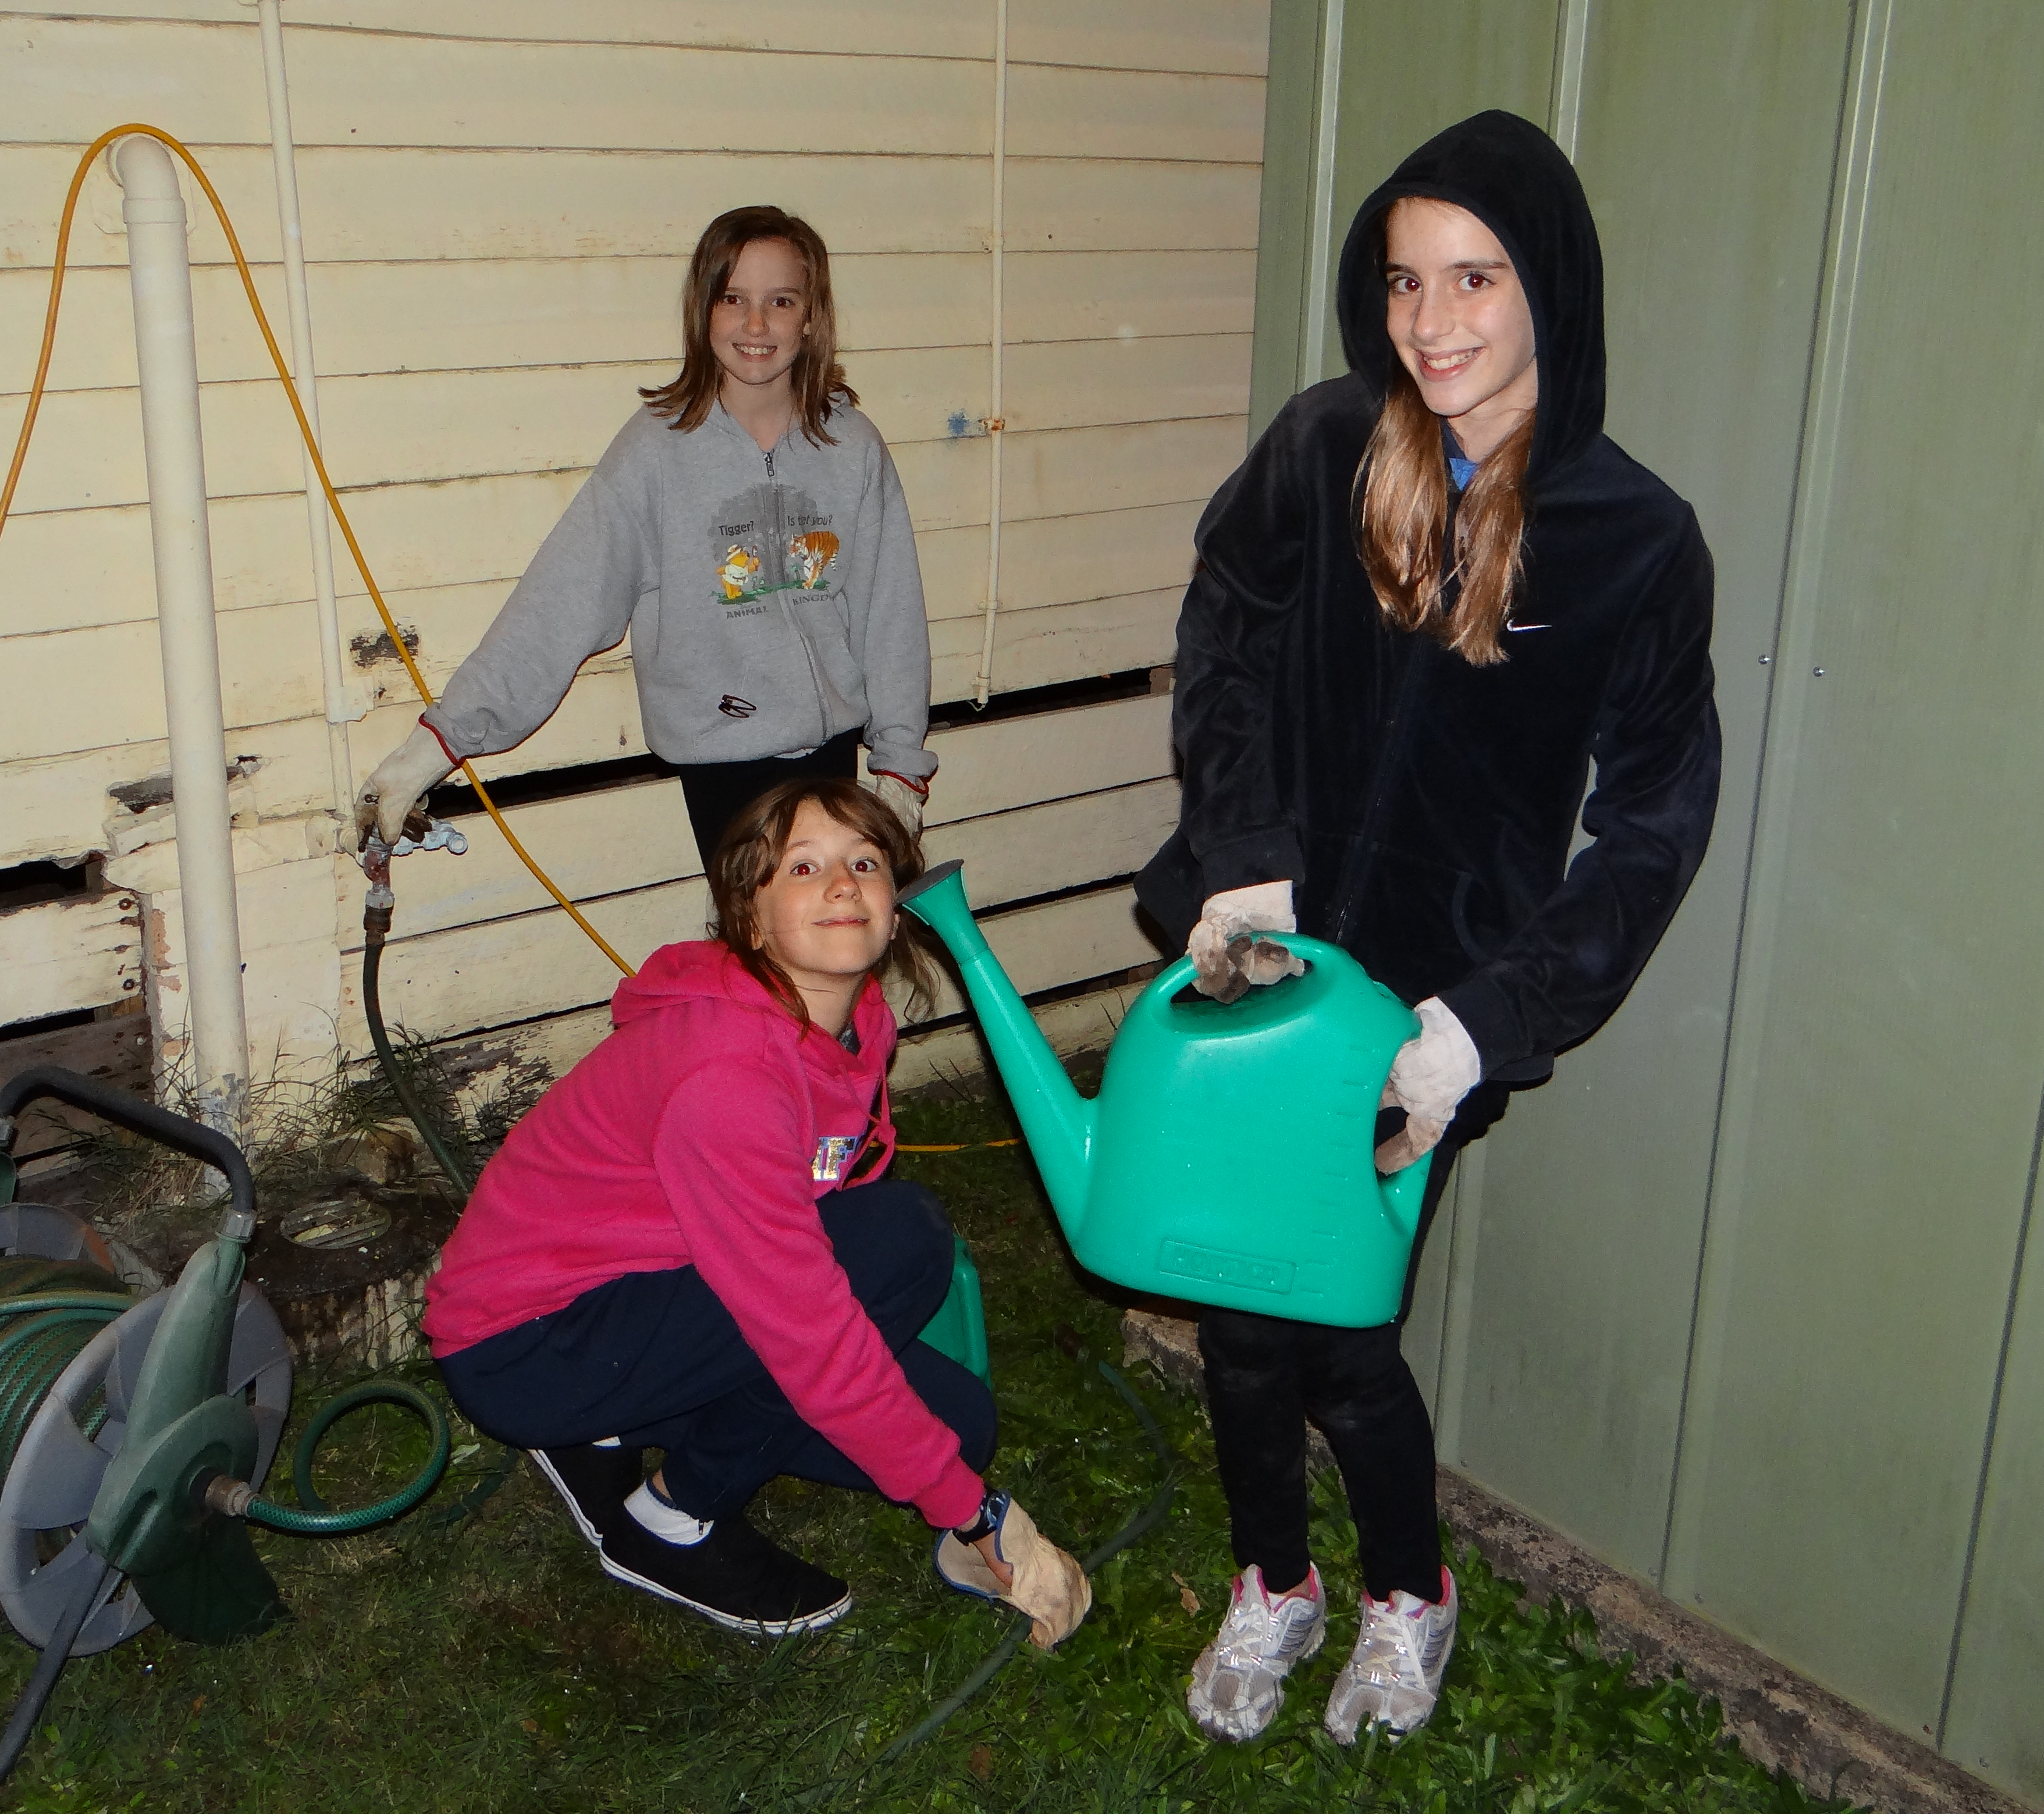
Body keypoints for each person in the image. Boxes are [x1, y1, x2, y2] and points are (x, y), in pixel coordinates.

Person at [1135, 111, 1719, 1744]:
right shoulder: (1328, 444)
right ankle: (1275, 1581)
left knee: (1338, 1327)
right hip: (1256, 962)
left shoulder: (1634, 538)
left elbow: (1654, 820)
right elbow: (1226, 624)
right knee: (1236, 1320)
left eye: (1474, 277)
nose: (1432, 320)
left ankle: (1408, 1592)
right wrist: (1242, 856)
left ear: (1550, 289)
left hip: (1418, 1016)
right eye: (1405, 280)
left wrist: (1489, 1017)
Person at [422, 777, 1087, 1646]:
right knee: (899, 1242)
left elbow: (811, 1218)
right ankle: (671, 1519)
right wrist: (973, 1513)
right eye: (804, 867)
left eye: (865, 863)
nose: (843, 884)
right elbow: (810, 1327)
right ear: (752, 918)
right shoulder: (727, 1076)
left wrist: (945, 1464)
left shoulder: (856, 1021)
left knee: (962, 1427)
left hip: (654, 1289)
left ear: (895, 911)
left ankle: (609, 1426)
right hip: (533, 1343)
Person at [358, 207, 936, 867]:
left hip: (835, 756)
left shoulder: (851, 446)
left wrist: (900, 767)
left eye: (781, 301)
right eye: (733, 299)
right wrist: (433, 748)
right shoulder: (655, 451)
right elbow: (562, 602)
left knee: (830, 928)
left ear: (811, 317)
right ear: (703, 311)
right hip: (722, 761)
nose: (755, 324)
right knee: (763, 932)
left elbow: (890, 613)